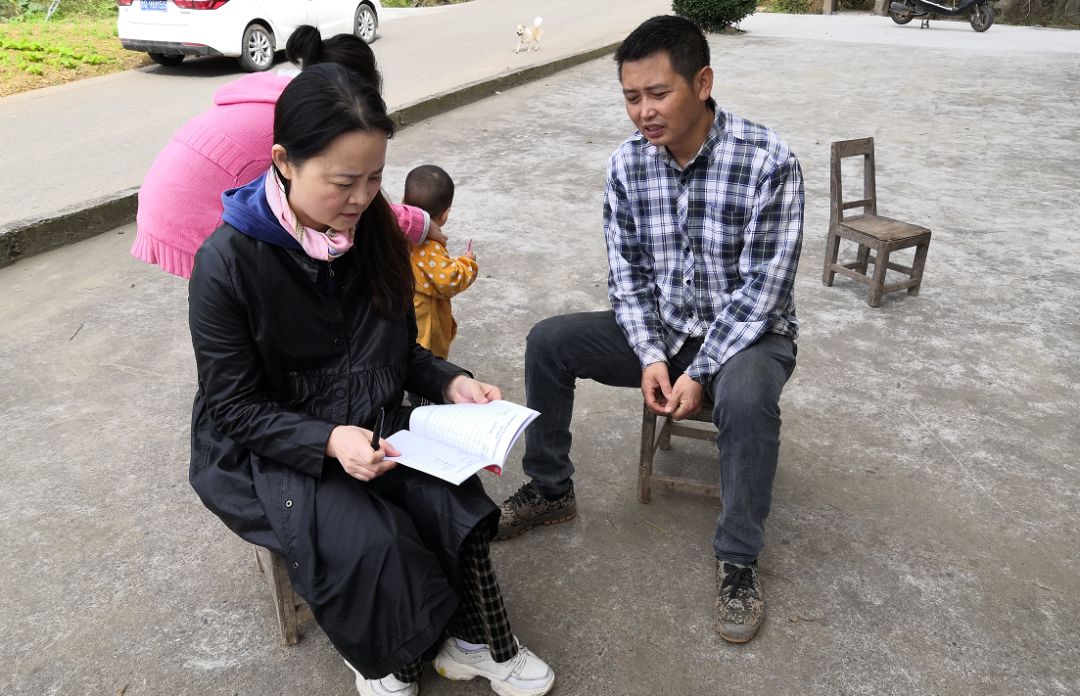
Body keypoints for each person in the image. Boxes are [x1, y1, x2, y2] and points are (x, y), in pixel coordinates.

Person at [187, 63, 555, 696]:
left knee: (458, 505)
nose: (361, 198)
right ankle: (391, 661)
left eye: (375, 177)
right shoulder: (226, 262)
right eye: (343, 182)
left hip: (373, 414)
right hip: (269, 447)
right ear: (284, 162)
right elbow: (234, 407)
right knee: (373, 539)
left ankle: (474, 643)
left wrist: (449, 383)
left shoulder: (376, 230)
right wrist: (329, 440)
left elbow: (400, 349)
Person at [494, 15, 803, 645]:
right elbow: (628, 276)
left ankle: (738, 559)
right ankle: (551, 488)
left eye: (658, 93)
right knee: (549, 342)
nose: (643, 112)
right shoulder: (627, 166)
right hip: (664, 326)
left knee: (746, 397)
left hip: (750, 335)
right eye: (631, 97)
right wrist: (651, 356)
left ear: (703, 83)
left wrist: (700, 369)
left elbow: (763, 291)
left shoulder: (768, 161)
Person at [130, 25, 445, 280]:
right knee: (234, 292)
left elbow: (347, 191)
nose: (361, 195)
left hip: (162, 194)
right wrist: (417, 223)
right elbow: (343, 201)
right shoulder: (303, 123)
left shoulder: (281, 90)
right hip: (189, 213)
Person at [403, 164, 478, 360]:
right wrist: (468, 263)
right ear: (445, 214)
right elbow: (449, 279)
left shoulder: (397, 232)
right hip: (424, 319)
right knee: (425, 359)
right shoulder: (429, 246)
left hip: (401, 310)